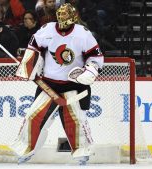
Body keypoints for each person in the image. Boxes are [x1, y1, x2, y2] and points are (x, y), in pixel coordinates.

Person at [13, 3, 103, 165]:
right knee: (33, 117)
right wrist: (30, 64)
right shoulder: (47, 29)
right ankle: (26, 150)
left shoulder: (83, 34)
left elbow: (95, 57)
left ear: (73, 17)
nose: (62, 18)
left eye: (65, 15)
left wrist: (91, 70)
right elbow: (33, 46)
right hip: (49, 85)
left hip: (73, 85)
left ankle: (82, 153)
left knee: (76, 121)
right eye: (60, 15)